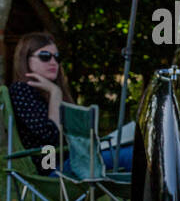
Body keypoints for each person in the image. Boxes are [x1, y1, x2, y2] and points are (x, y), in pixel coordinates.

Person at [6, 31, 132, 175]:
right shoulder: (21, 90)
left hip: (74, 159)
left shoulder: (46, 93)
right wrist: (55, 93)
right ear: (26, 59)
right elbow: (51, 135)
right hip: (53, 167)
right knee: (133, 155)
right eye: (45, 57)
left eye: (57, 57)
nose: (53, 62)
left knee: (135, 150)